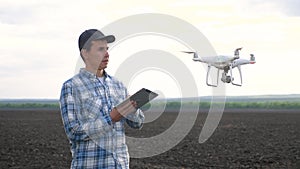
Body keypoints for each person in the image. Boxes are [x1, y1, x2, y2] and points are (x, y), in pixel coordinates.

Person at [59, 29, 144, 169]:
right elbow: (73, 132)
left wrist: (133, 109)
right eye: (100, 49)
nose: (106, 54)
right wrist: (110, 118)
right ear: (84, 53)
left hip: (120, 165)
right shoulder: (72, 87)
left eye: (107, 49)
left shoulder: (118, 85)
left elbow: (138, 124)